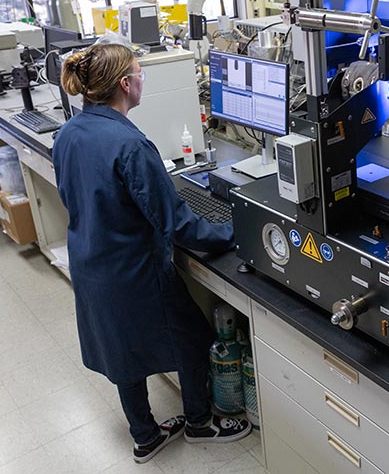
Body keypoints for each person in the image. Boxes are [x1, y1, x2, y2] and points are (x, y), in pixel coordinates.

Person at [53, 43, 250, 464]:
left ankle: (145, 435)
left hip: (92, 262)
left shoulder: (69, 131)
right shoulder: (131, 145)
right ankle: (200, 422)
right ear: (126, 84)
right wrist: (237, 233)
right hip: (135, 269)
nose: (143, 79)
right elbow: (178, 224)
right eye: (140, 73)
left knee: (122, 351)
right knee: (194, 338)